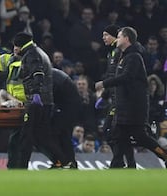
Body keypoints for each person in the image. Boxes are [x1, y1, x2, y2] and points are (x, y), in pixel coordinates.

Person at [95, 27, 167, 168]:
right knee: (118, 135)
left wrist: (104, 84)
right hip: (124, 105)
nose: (117, 39)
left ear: (127, 39)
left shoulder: (134, 57)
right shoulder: (124, 56)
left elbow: (126, 77)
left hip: (134, 106)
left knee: (141, 137)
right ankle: (118, 165)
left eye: (120, 36)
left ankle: (164, 154)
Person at [10, 32, 57, 169]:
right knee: (40, 136)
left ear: (19, 46)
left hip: (37, 101)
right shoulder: (37, 52)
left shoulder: (31, 54)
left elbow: (37, 74)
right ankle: (62, 160)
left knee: (27, 136)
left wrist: (35, 94)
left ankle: (21, 167)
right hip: (45, 100)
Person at [98, 24, 136, 168]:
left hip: (120, 100)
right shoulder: (112, 52)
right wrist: (105, 95)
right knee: (117, 133)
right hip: (115, 98)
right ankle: (126, 163)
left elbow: (116, 76)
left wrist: (105, 92)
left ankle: (120, 162)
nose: (103, 38)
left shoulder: (118, 51)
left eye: (106, 35)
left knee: (110, 131)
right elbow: (111, 75)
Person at [51, 68, 82, 168]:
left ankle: (65, 162)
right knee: (63, 134)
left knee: (58, 133)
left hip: (67, 106)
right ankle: (68, 162)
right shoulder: (53, 74)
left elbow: (51, 95)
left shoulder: (50, 77)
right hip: (67, 105)